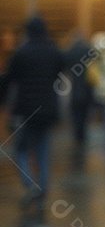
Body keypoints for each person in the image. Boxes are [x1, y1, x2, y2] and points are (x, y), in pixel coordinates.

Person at [0, 17, 65, 210]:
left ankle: (30, 184)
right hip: (48, 110)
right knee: (43, 150)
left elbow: (9, 79)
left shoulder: (21, 52)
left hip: (26, 111)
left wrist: (3, 103)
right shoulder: (54, 51)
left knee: (21, 149)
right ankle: (42, 187)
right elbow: (61, 73)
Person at [62, 31, 97, 151]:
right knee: (85, 112)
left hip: (74, 87)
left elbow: (64, 67)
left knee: (75, 112)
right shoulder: (88, 50)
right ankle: (82, 133)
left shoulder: (70, 51)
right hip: (88, 87)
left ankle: (77, 134)